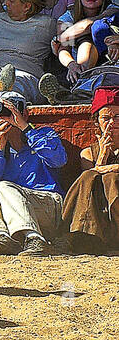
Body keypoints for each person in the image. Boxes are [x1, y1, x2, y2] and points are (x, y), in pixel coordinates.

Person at [0, 90, 66, 256]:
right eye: (0, 113)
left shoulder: (44, 134)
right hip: (10, 215)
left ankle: (34, 239)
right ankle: (2, 237)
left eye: (11, 112)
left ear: (25, 114)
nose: (5, 117)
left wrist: (25, 129)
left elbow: (58, 160)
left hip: (47, 205)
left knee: (4, 186)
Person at [60, 87, 119, 251]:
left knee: (111, 178)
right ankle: (85, 234)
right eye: (106, 118)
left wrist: (111, 168)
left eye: (118, 117)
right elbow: (90, 185)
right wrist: (102, 158)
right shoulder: (88, 153)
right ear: (97, 122)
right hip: (102, 221)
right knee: (89, 176)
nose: (112, 123)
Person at [0, 0, 57, 102]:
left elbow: (68, 33)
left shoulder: (47, 23)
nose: (5, 3)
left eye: (11, 0)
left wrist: (60, 47)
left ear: (27, 6)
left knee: (15, 87)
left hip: (25, 74)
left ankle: (4, 99)